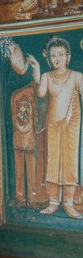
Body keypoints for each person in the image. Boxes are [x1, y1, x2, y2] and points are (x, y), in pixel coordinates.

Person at [26, 37, 83, 218]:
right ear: (48, 58)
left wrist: (70, 116)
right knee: (53, 162)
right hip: (53, 123)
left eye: (60, 54)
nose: (56, 58)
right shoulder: (47, 76)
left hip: (71, 124)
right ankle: (53, 202)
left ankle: (68, 203)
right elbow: (41, 93)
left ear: (68, 56)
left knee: (69, 162)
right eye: (52, 56)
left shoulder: (77, 76)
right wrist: (36, 70)